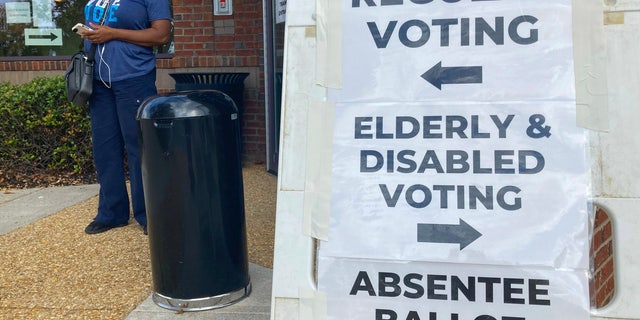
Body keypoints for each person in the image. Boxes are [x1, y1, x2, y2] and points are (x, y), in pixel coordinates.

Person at [81, 0, 172, 235]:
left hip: (134, 78)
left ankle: (149, 214)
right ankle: (111, 213)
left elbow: (162, 35)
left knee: (139, 147)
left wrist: (112, 34)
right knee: (104, 149)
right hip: (98, 82)